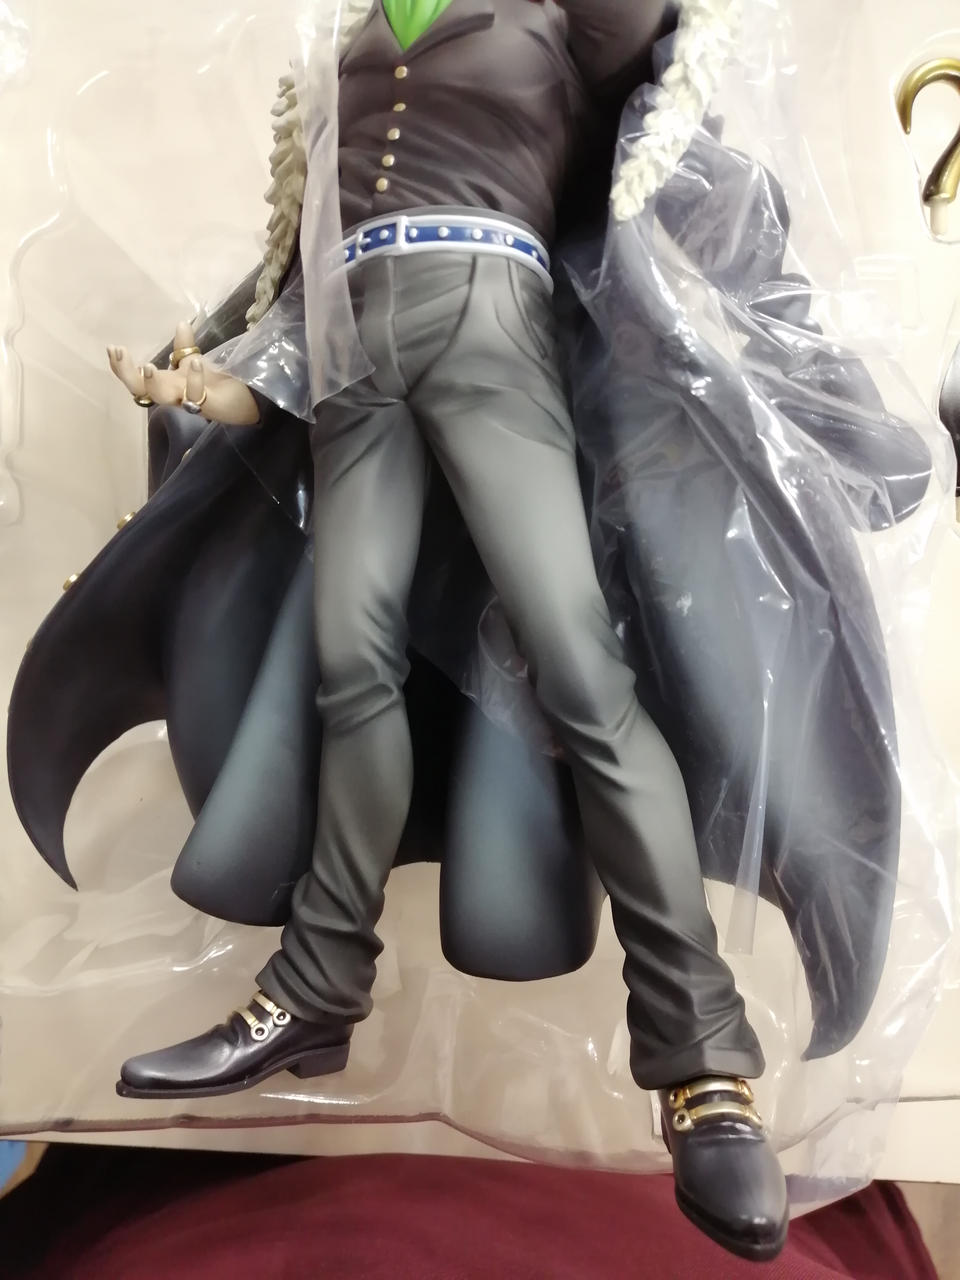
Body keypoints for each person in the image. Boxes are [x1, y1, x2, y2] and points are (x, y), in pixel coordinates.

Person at [108, 0, 787, 1260]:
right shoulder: (345, 41)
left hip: (490, 316)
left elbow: (654, 92)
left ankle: (703, 1058)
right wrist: (215, 382)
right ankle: (316, 988)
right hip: (352, 352)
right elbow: (304, 265)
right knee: (347, 665)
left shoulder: (561, 15)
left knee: (580, 668)